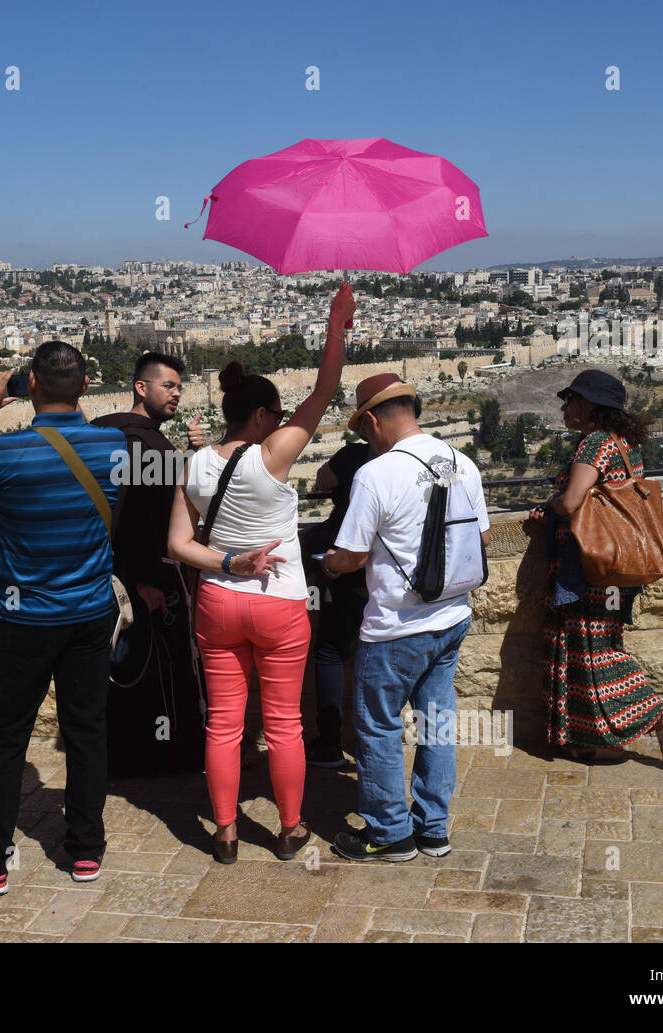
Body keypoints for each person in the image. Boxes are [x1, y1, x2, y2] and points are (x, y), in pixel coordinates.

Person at [168, 281, 353, 864]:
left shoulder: (192, 464)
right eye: (275, 412)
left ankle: (224, 832)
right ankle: (289, 828)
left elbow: (177, 546)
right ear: (260, 414)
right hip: (278, 602)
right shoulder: (272, 455)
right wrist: (336, 325)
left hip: (218, 601)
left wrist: (227, 560)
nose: (281, 421)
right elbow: (326, 389)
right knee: (283, 723)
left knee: (223, 722)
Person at [0, 340, 126, 898]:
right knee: (87, 732)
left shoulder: (6, 453)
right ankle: (85, 852)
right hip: (92, 612)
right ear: (86, 386)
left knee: (6, 739)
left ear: (30, 385)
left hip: (25, 619)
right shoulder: (114, 446)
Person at [321, 374, 489, 862]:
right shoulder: (463, 461)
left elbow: (351, 555)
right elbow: (478, 542)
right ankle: (433, 828)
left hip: (396, 625)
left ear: (371, 420)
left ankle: (389, 832)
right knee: (437, 722)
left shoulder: (375, 474)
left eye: (362, 430)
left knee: (377, 727)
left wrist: (328, 564)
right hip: (451, 616)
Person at [527, 370, 663, 767]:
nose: (565, 407)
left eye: (572, 400)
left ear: (591, 405)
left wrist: (547, 506)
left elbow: (571, 503)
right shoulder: (625, 444)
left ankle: (658, 715)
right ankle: (586, 739)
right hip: (618, 567)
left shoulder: (594, 445)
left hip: (589, 568)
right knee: (599, 648)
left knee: (595, 653)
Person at [93, 352, 206, 777]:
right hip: (148, 579)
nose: (177, 393)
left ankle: (123, 759)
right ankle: (166, 757)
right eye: (168, 386)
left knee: (120, 671)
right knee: (160, 670)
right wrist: (140, 580)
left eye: (179, 386)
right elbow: (138, 521)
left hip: (104, 578)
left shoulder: (101, 435)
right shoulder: (152, 448)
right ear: (142, 388)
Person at [301, 432, 382, 768]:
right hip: (391, 572)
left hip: (345, 565)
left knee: (331, 650)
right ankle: (374, 745)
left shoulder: (353, 456)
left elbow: (322, 479)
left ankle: (330, 742)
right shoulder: (412, 459)